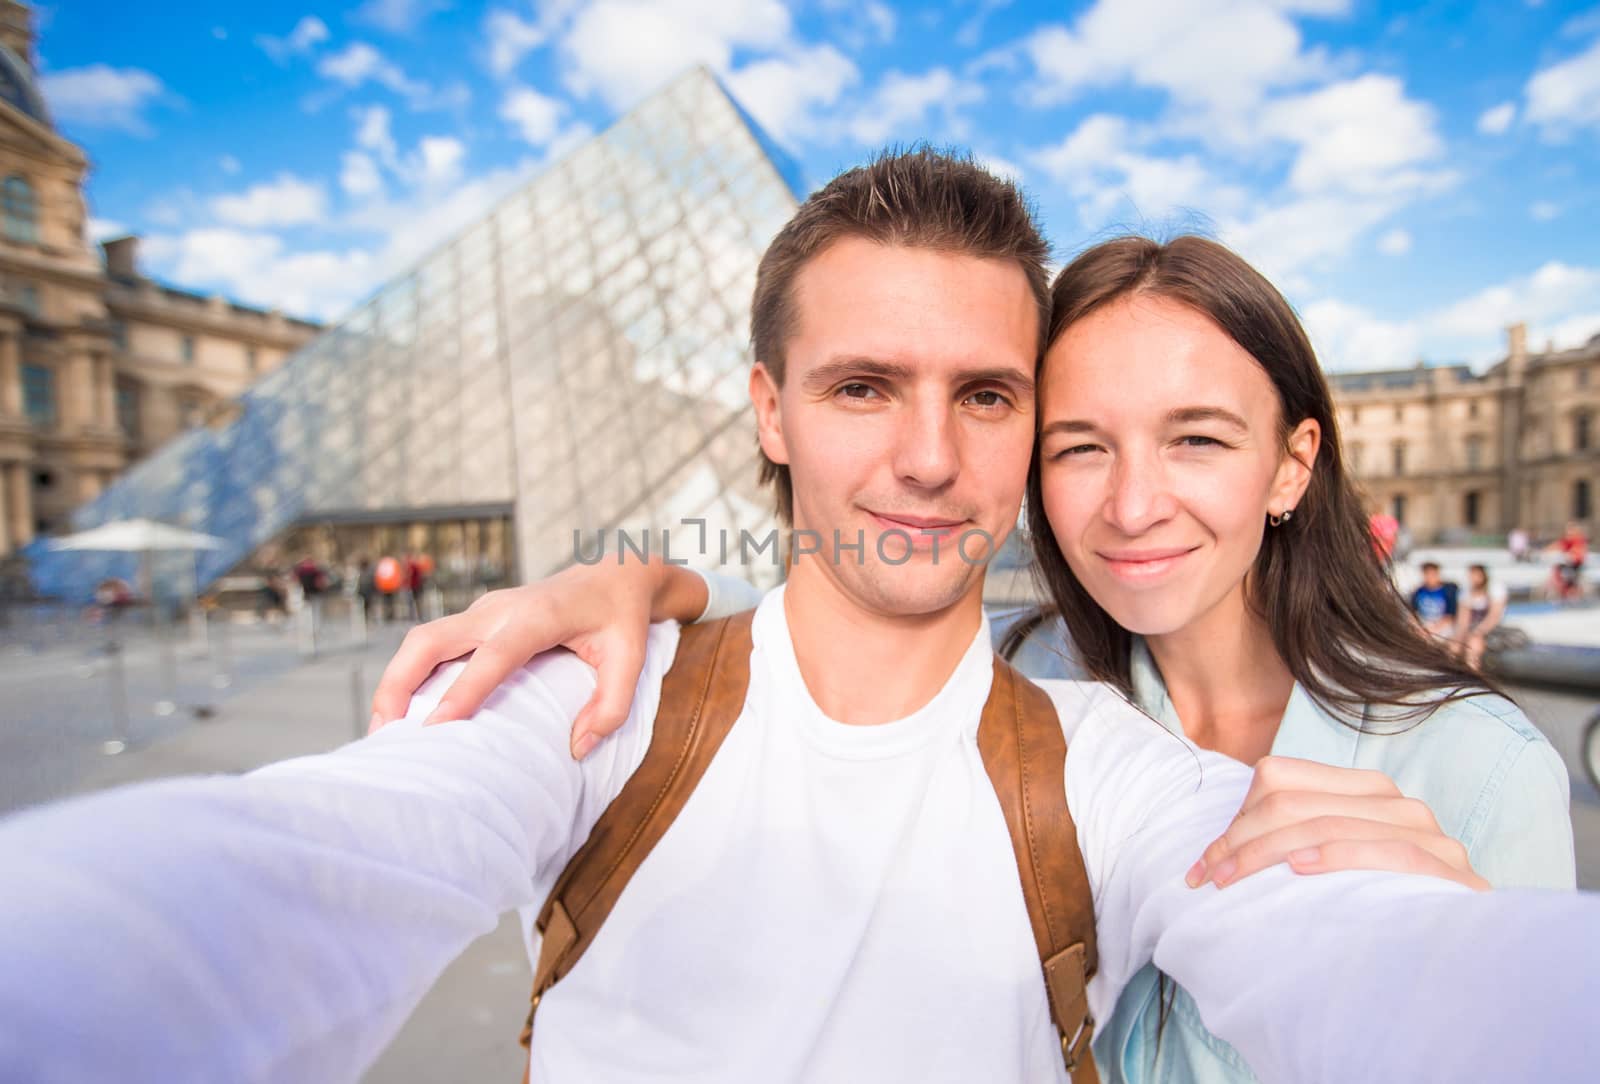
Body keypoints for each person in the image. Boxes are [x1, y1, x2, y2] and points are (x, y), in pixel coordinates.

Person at [372, 232, 1575, 1084]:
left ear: (1292, 464)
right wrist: (649, 585)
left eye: (1197, 438)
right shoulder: (1031, 672)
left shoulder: (1479, 762)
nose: (1133, 502)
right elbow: (834, 624)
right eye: (1079, 444)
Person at [1455, 563, 1508, 669]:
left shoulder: (1494, 588)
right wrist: (1460, 635)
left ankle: (1473, 674)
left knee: (1473, 644)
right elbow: (1463, 618)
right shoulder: (1466, 590)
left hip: (1492, 629)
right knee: (1454, 645)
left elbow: (1494, 616)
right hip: (1472, 627)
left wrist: (1478, 631)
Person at [1408, 560, 1459, 636]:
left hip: (1442, 625)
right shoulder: (1418, 592)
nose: (1430, 577)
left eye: (1432, 574)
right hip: (1423, 623)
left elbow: (1450, 617)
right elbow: (1413, 613)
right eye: (1427, 574)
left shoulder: (1448, 591)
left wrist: (1434, 629)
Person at [1545, 520, 1589, 601]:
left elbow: (1579, 552)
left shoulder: (1578, 539)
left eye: (1570, 529)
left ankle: (1573, 594)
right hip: (1568, 563)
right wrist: (1546, 550)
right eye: (1568, 530)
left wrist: (1572, 556)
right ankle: (1562, 592)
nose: (1568, 532)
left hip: (1576, 564)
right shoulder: (1566, 540)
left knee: (1570, 578)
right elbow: (1558, 544)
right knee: (1558, 571)